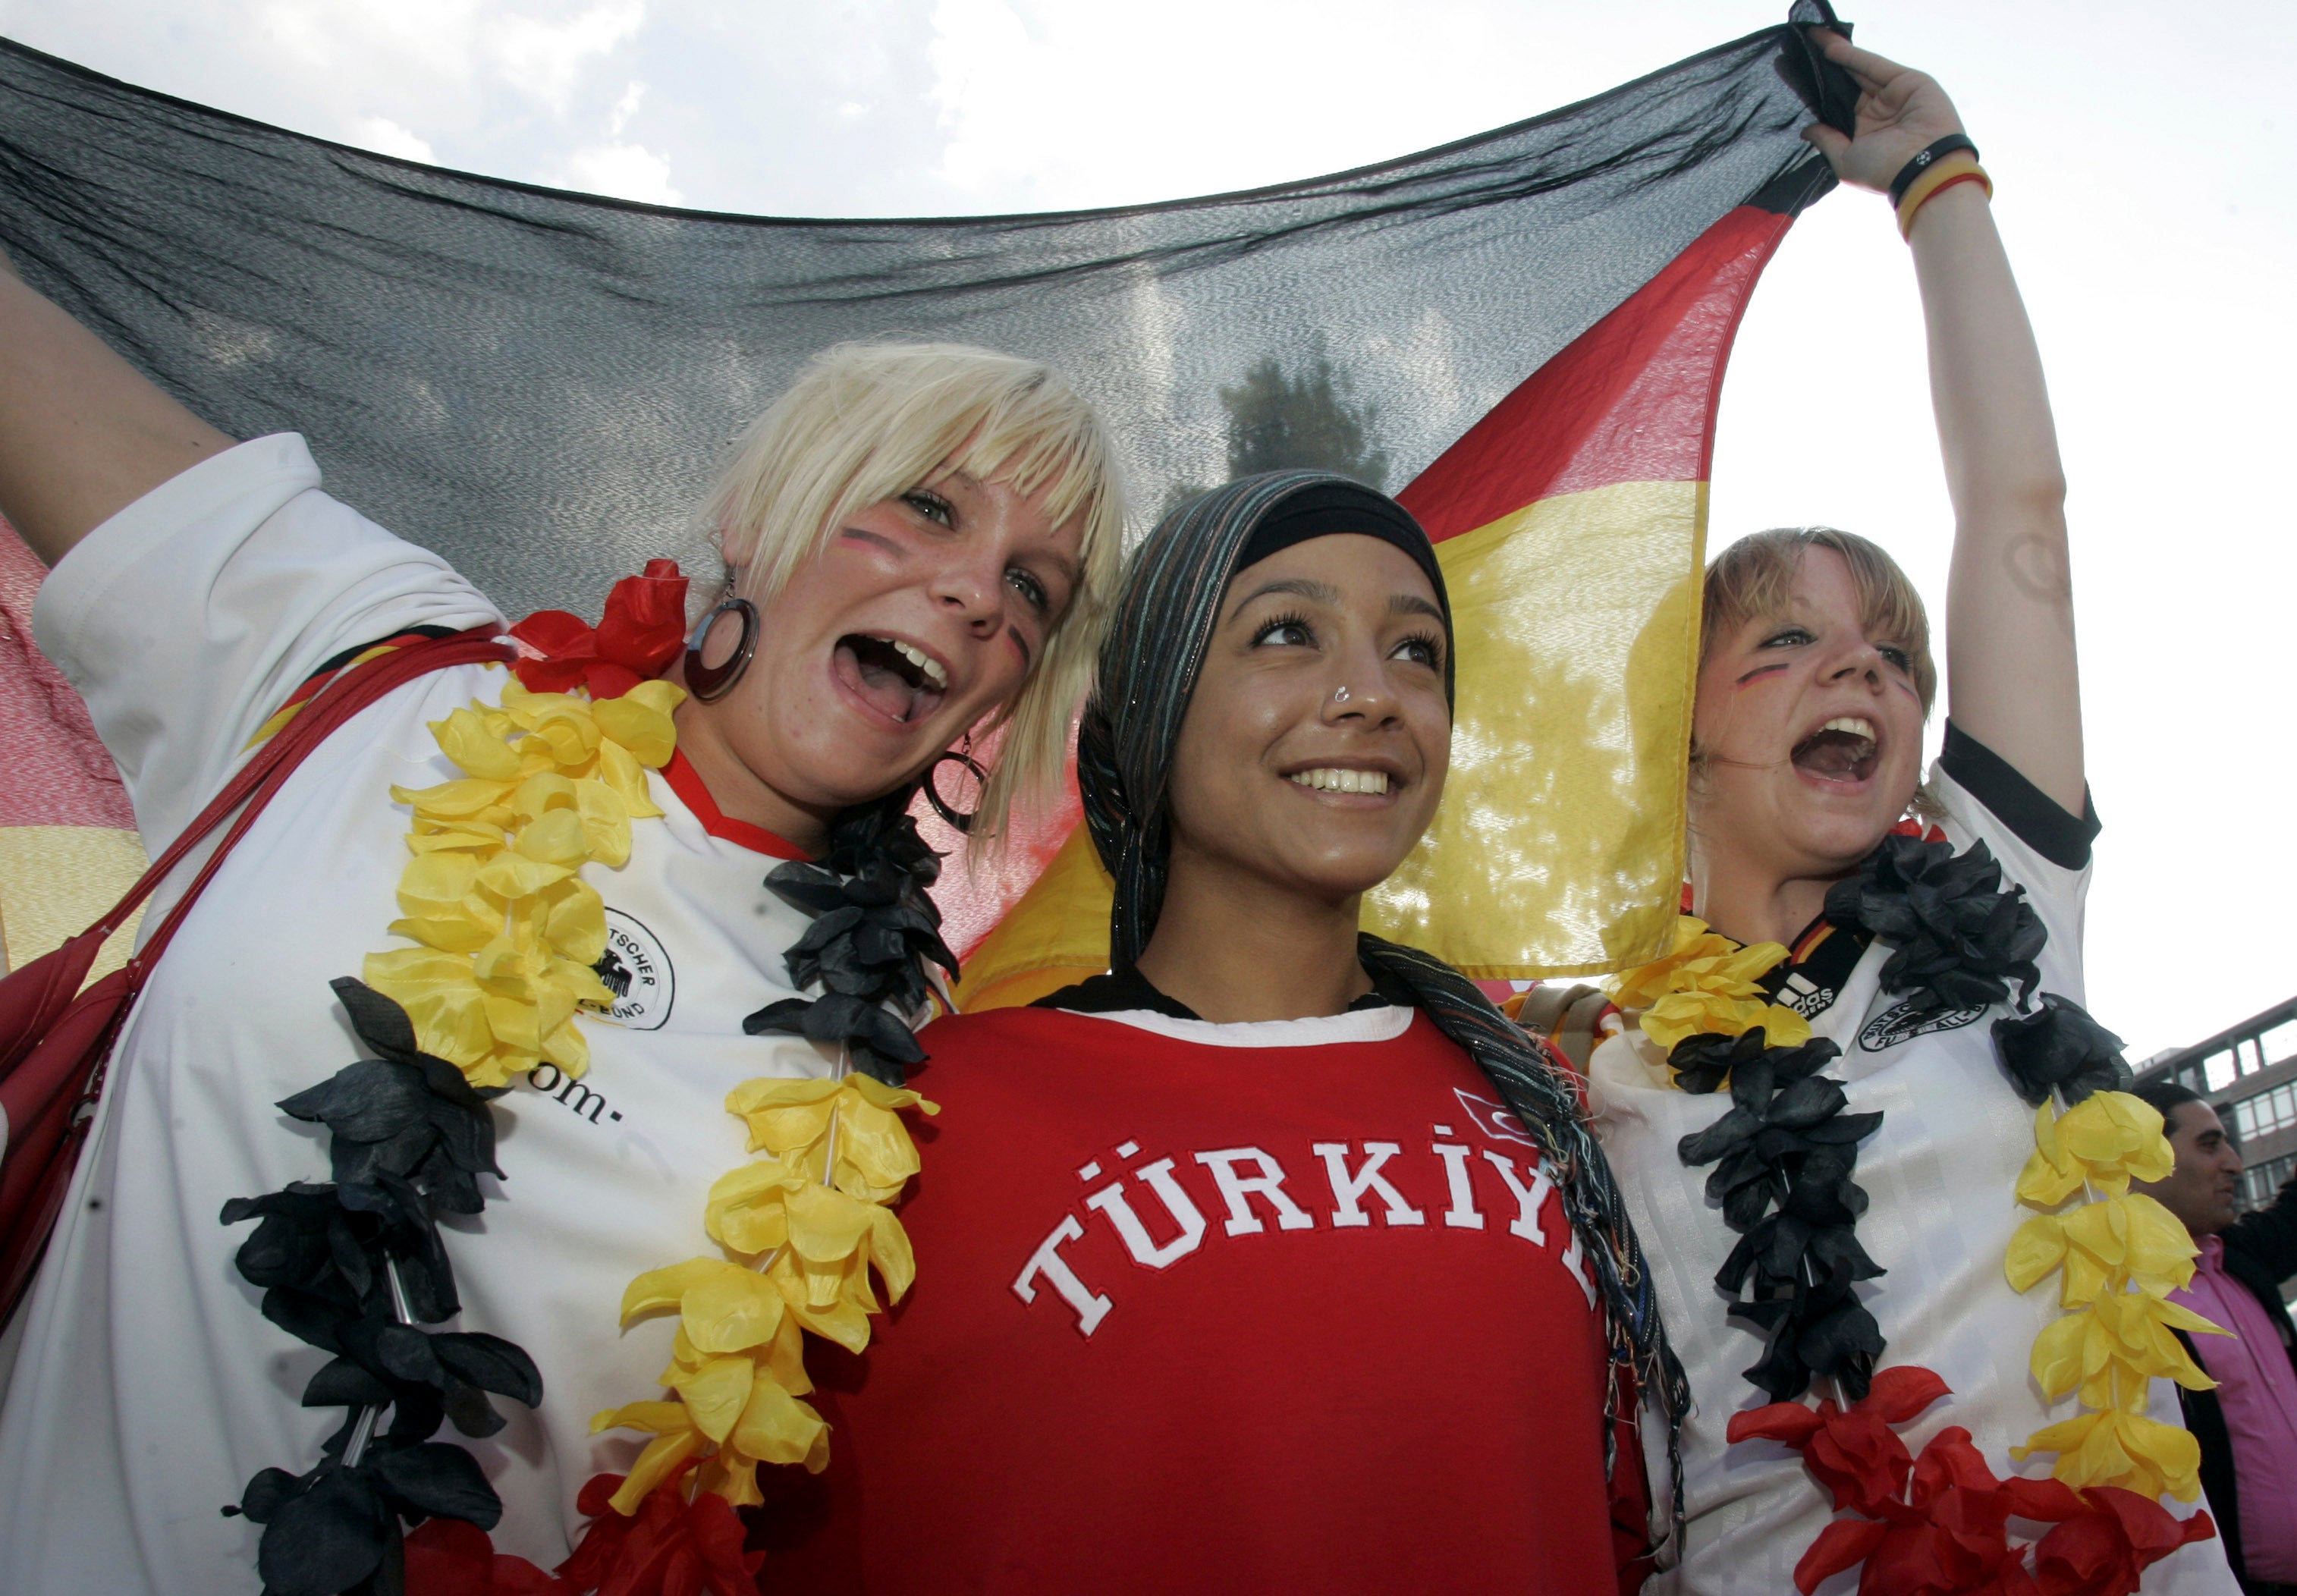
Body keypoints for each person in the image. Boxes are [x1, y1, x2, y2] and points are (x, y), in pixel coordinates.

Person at [0, 235, 1125, 1594]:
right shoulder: (380, 669)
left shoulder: (892, 1075)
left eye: (1030, 591)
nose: (971, 593)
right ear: (761, 515)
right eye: (927, 507)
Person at [764, 470, 1685, 1594]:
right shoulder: (912, 1120)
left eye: (1416, 653)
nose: (1371, 694)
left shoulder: (1540, 1106)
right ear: (1153, 701)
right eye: (1288, 634)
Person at [1582, 29, 2236, 1595]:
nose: (1858, 671)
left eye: (1890, 651)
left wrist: (1936, 187)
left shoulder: (1998, 883)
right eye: (1788, 643)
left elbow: (2016, 509)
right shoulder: (1589, 1068)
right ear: (1676, 728)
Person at [2136, 1081, 2297, 1596]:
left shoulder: (2241, 1258)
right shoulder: (2117, 1299)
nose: (2234, 1164)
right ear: (2142, 1159)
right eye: (2209, 1145)